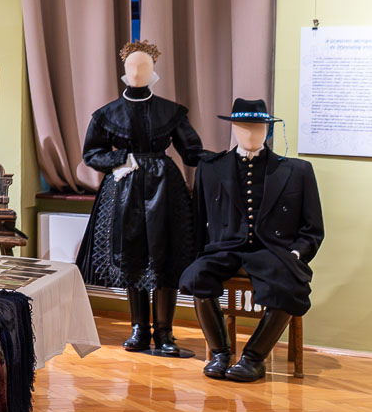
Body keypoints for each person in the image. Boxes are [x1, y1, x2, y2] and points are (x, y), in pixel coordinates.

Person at [75, 40, 204, 357]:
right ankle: (139, 328)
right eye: (132, 66)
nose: (137, 71)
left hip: (166, 189)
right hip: (123, 191)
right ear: (123, 70)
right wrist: (121, 160)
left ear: (154, 71)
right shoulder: (106, 114)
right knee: (131, 254)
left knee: (166, 255)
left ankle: (165, 331)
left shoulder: (171, 112)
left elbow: (192, 152)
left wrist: (222, 161)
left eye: (144, 66)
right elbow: (92, 153)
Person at [181, 99, 323, 382]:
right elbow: (198, 219)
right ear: (233, 128)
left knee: (289, 286)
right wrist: (198, 254)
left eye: (258, 127)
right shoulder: (210, 168)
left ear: (268, 130)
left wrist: (297, 253)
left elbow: (313, 228)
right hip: (225, 247)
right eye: (244, 127)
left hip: (272, 249)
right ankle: (220, 353)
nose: (251, 133)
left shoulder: (297, 171)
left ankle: (253, 359)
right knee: (196, 276)